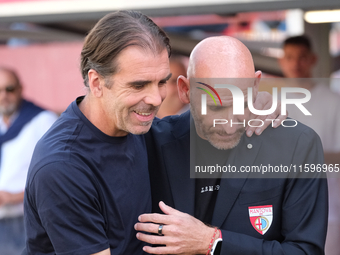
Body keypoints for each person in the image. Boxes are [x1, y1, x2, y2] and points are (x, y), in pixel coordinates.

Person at [23, 11, 286, 255]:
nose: (155, 98)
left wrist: (256, 103)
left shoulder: (141, 129)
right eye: (139, 85)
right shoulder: (63, 167)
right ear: (96, 82)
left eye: (162, 81)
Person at [135, 36, 328, 255]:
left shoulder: (297, 145)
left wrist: (213, 242)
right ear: (185, 89)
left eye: (240, 105)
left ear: (256, 85)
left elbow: (305, 251)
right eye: (215, 108)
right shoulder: (150, 142)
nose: (227, 126)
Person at [279, 35, 340, 255]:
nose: (296, 63)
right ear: (281, 61)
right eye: (290, 57)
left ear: (313, 59)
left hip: (328, 205)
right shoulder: (272, 103)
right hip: (283, 205)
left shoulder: (334, 101)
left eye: (302, 57)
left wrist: (305, 159)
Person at [0, 67, 57, 255]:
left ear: (20, 89)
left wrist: (14, 197)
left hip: (26, 218)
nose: (4, 96)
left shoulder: (43, 120)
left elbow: (56, 175)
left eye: (9, 89)